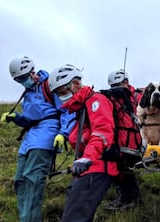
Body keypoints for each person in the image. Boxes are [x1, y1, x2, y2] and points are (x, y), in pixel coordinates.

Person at [1, 56, 74, 222]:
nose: (22, 81)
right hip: (29, 138)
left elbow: (67, 111)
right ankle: (25, 217)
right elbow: (30, 118)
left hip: (46, 135)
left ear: (32, 71)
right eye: (18, 80)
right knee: (20, 180)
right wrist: (16, 118)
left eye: (23, 77)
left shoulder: (50, 85)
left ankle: (30, 219)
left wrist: (63, 133)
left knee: (33, 179)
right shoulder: (28, 92)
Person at [48, 64, 119, 221]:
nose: (61, 98)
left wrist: (87, 157)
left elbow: (102, 133)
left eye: (62, 92)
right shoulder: (81, 108)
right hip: (88, 169)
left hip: (97, 168)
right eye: (58, 94)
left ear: (75, 84)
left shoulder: (96, 101)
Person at [104, 69, 142, 211]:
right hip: (119, 140)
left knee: (126, 171)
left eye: (118, 84)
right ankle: (125, 198)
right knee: (119, 170)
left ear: (126, 82)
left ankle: (130, 200)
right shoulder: (114, 97)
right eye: (112, 86)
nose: (115, 88)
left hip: (131, 141)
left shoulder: (136, 96)